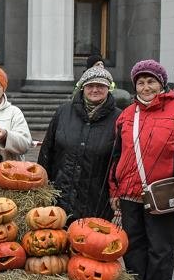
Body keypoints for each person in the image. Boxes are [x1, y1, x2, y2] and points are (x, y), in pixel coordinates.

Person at [109, 59, 174, 280]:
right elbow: (117, 155)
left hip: (163, 195)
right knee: (134, 250)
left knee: (161, 251)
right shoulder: (126, 115)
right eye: (141, 82)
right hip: (129, 194)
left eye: (151, 81)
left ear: (161, 84)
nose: (146, 87)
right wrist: (114, 190)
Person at [38, 65, 120, 222]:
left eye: (100, 85)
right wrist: (41, 187)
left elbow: (119, 161)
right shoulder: (63, 112)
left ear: (108, 88)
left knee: (90, 243)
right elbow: (47, 151)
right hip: (59, 196)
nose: (95, 90)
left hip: (96, 201)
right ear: (82, 88)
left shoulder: (119, 118)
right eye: (90, 85)